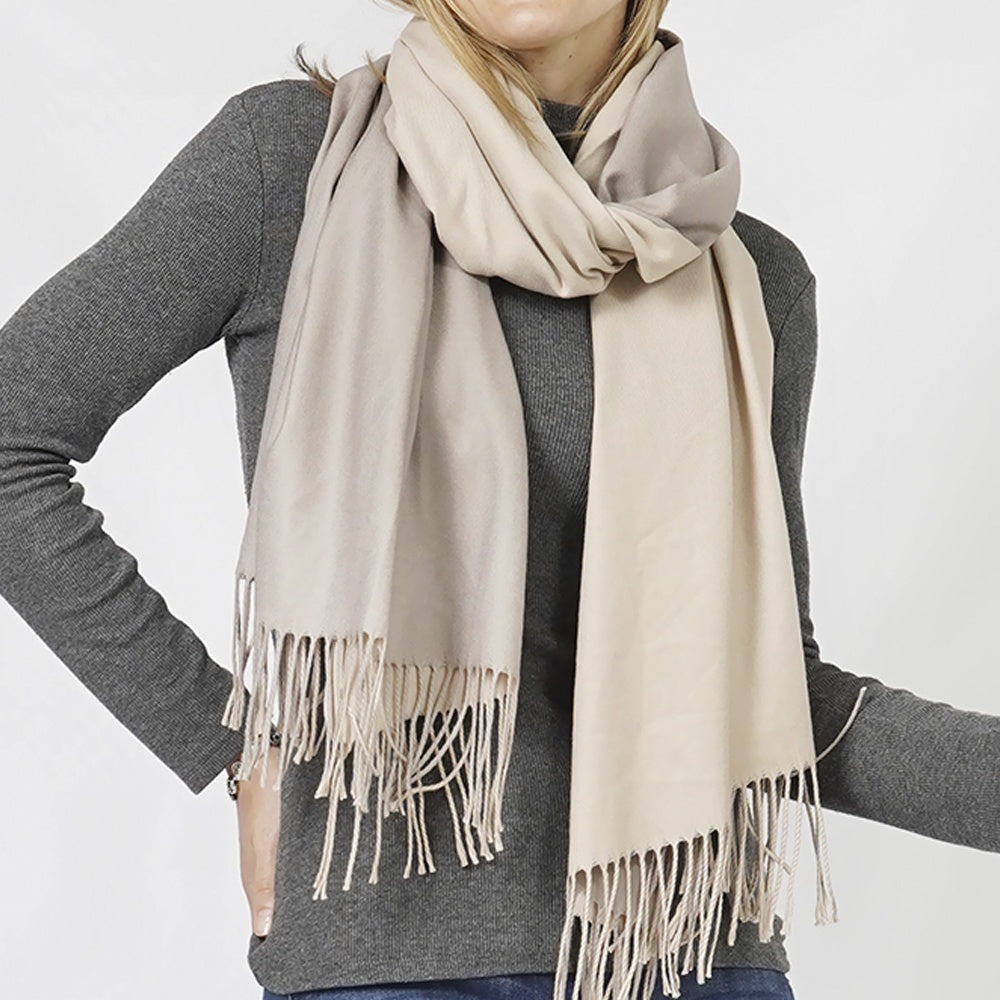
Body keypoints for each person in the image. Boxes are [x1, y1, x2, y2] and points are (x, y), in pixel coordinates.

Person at [1, 2, 999, 999]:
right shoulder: (295, 169)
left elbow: (773, 688)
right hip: (394, 969)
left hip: (692, 958)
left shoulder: (748, 277)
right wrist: (224, 742)